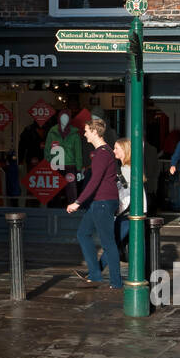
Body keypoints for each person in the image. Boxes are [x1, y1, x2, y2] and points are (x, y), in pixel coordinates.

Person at [66, 118, 123, 290]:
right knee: (83, 233)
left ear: (95, 132)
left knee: (108, 243)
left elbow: (94, 181)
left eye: (86, 131)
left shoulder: (102, 153)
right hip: (100, 202)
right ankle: (95, 274)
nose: (84, 134)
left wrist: (77, 202)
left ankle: (116, 282)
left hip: (103, 202)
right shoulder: (104, 153)